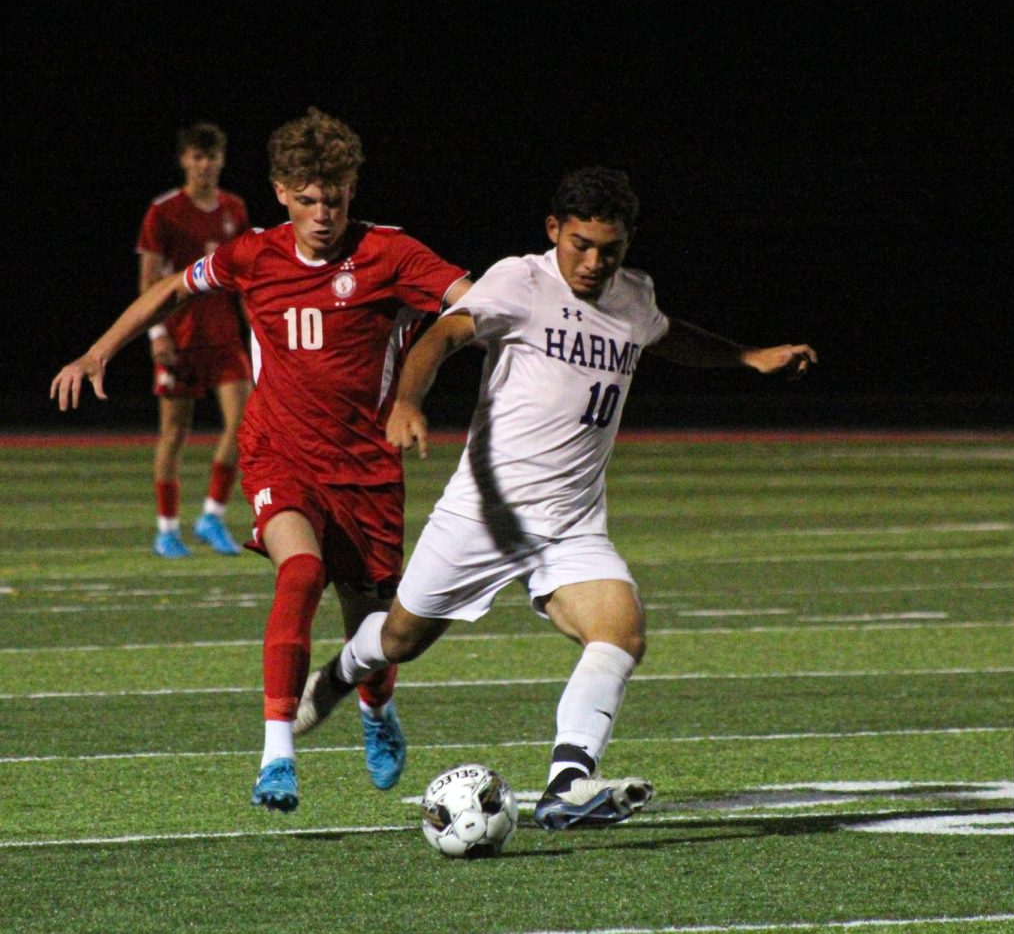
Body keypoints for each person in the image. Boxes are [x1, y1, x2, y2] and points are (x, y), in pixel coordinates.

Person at [295, 166, 816, 829]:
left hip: (571, 521)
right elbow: (442, 334)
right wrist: (405, 401)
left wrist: (747, 357)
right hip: (487, 512)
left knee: (620, 630)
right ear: (553, 231)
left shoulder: (634, 294)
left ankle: (569, 780)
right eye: (580, 245)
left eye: (610, 249)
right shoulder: (519, 279)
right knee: (400, 638)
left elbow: (664, 332)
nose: (594, 262)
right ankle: (343, 670)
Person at [52, 108, 471, 813]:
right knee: (301, 569)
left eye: (334, 197)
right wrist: (101, 348)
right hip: (280, 451)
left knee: (373, 629)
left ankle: (374, 711)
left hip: (366, 467)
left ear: (351, 190)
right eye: (307, 198)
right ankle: (277, 752)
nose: (322, 213)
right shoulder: (254, 253)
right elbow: (173, 286)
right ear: (281, 190)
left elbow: (477, 305)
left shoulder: (392, 254)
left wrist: (420, 386)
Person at [138, 122, 251, 558]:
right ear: (184, 160)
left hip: (223, 335)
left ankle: (212, 517)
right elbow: (149, 278)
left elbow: (244, 277)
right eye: (196, 157)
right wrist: (157, 333)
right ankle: (166, 528)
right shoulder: (163, 211)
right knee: (174, 433)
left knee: (245, 426)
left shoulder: (235, 209)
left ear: (222, 160)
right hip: (180, 337)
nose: (204, 165)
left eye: (212, 156)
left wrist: (259, 333)